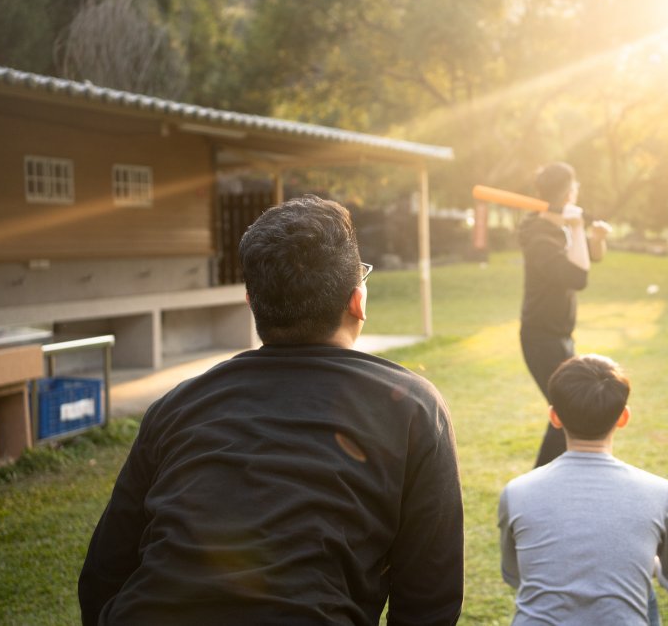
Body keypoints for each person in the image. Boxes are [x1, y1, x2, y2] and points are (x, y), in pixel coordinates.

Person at [79, 196, 464, 625]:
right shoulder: (413, 408)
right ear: (358, 301)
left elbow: (103, 576)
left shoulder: (176, 407)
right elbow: (429, 601)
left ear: (251, 302)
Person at [498, 355, 668, 625]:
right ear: (623, 417)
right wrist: (651, 565)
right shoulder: (661, 493)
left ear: (554, 417)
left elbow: (514, 576)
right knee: (645, 595)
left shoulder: (516, 492)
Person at [518, 162, 611, 468]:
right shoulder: (540, 237)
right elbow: (579, 277)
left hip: (560, 336)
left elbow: (592, 257)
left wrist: (594, 237)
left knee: (567, 410)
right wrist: (577, 227)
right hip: (541, 337)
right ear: (570, 194)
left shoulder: (558, 229)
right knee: (567, 410)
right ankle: (539, 482)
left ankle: (550, 478)